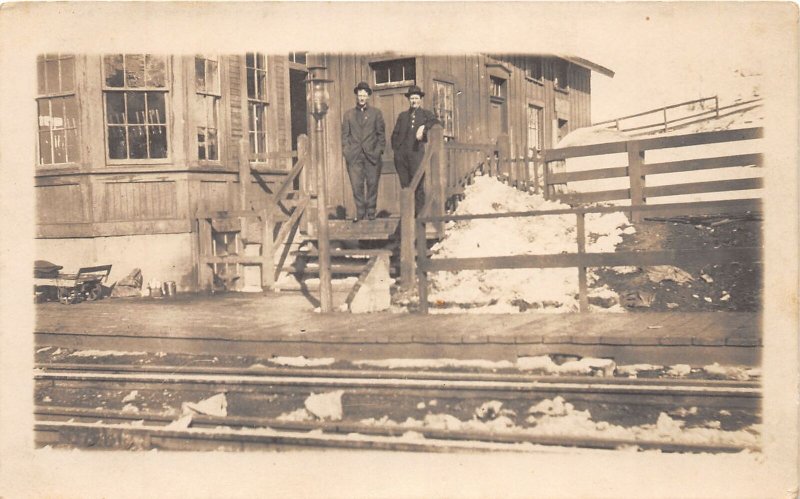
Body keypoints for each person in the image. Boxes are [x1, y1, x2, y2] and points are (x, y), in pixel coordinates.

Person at [341, 81, 386, 222]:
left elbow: (381, 135)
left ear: (368, 97)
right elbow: (344, 136)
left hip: (372, 156)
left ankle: (371, 212)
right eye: (359, 95)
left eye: (364, 95)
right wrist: (347, 152)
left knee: (372, 184)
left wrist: (378, 151)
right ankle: (360, 212)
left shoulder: (376, 113)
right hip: (354, 156)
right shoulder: (348, 115)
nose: (361, 98)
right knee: (356, 185)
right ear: (356, 96)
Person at [391, 85, 439, 215]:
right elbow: (395, 134)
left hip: (417, 156)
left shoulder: (425, 114)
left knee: (418, 187)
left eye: (416, 98)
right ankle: (408, 216)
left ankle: (419, 216)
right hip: (402, 158)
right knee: (405, 187)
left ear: (420, 99)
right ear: (409, 100)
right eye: (412, 98)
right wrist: (396, 151)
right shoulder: (403, 116)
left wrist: (424, 127)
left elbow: (436, 122)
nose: (414, 101)